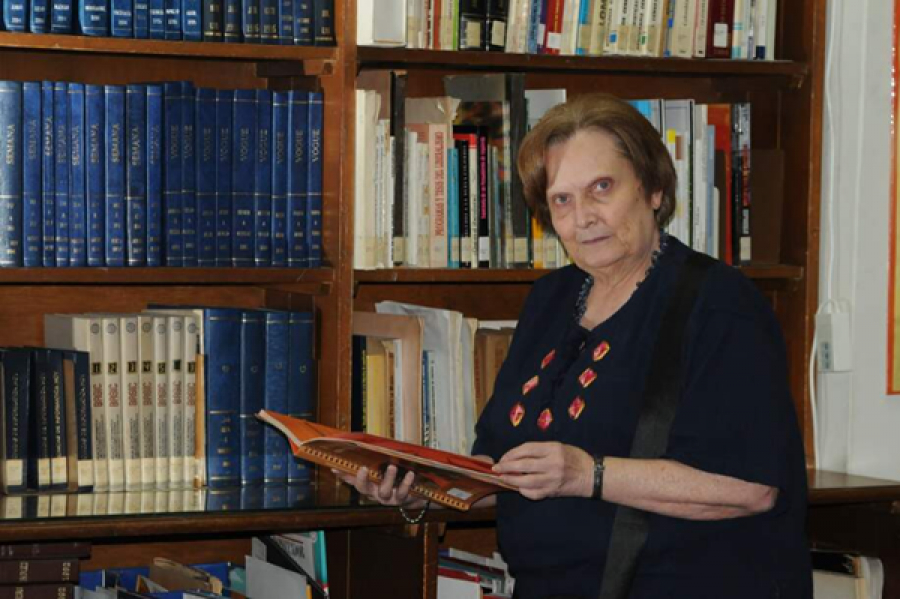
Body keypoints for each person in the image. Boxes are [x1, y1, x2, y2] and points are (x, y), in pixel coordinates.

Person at [337, 93, 812, 599]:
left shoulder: (720, 305)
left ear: (653, 188)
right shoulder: (551, 299)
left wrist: (589, 474)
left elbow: (751, 488)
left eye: (601, 188)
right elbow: (503, 471)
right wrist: (418, 490)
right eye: (562, 200)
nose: (582, 217)